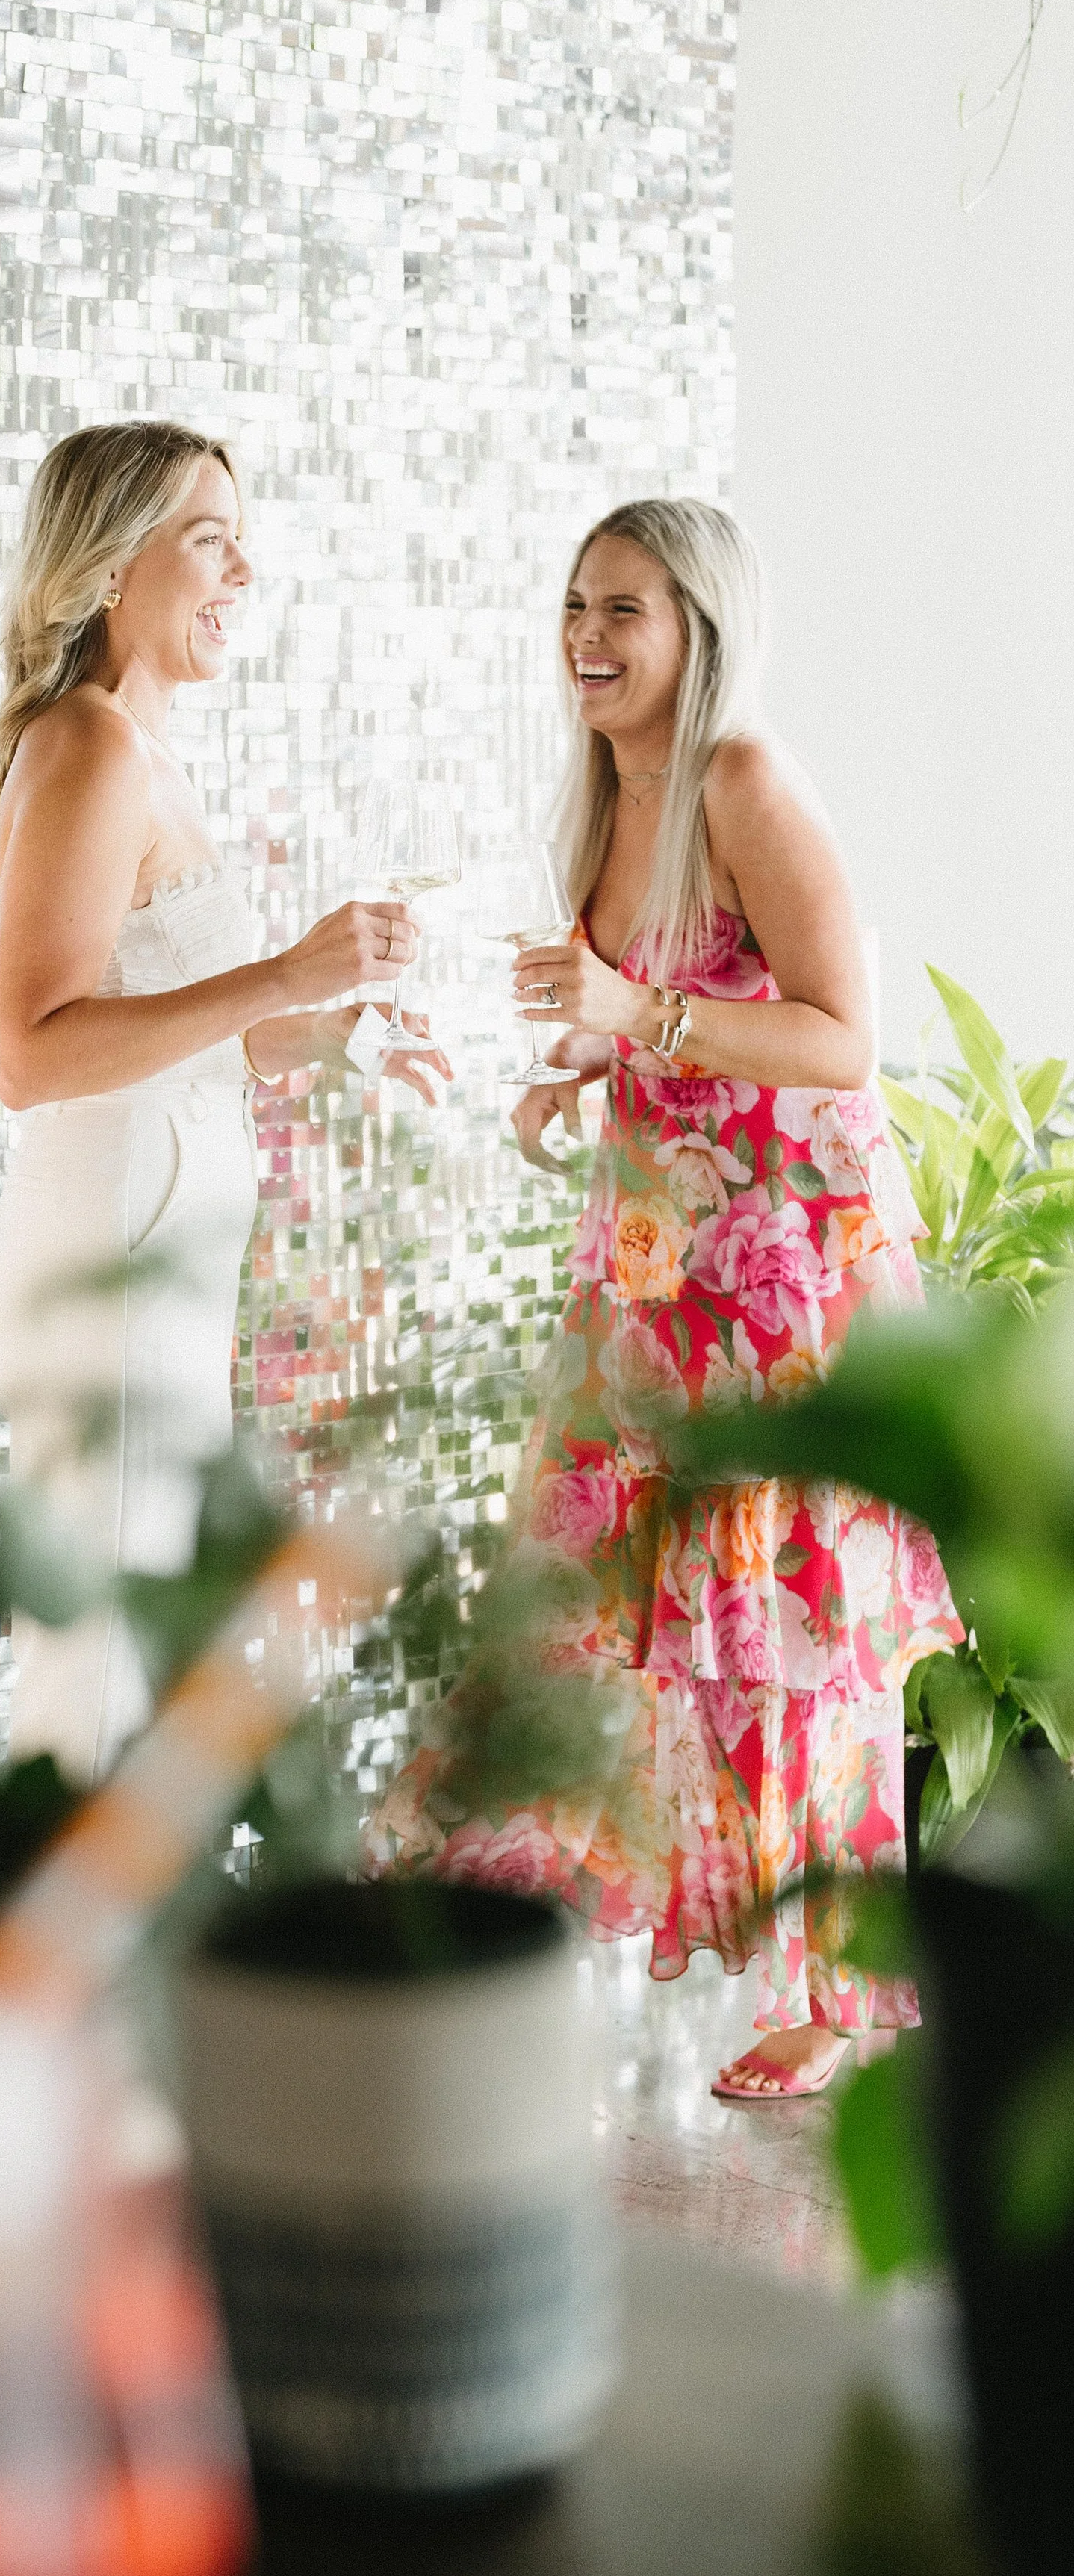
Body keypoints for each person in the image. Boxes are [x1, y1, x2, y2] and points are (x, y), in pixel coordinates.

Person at [367, 497, 961, 2101]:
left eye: (622, 610)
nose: (586, 637)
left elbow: (840, 1037)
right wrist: (588, 1060)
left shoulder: (738, 780)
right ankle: (495, 1914)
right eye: (574, 604)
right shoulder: (603, 798)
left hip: (777, 1280)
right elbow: (673, 1012)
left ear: (700, 628)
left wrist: (639, 1013)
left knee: (780, 1629)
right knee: (570, 1577)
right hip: (652, 1262)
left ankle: (837, 1994)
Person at [0, 420, 450, 1786]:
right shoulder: (88, 745)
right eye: (211, 540)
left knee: (139, 1668)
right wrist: (280, 970)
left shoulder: (143, 753)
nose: (247, 569)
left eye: (248, 542)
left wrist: (341, 1030)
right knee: (95, 1688)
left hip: (156, 1273)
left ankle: (110, 1980)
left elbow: (180, 1042)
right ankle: (69, 1991)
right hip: (106, 1283)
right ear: (115, 564)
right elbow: (32, 1051)